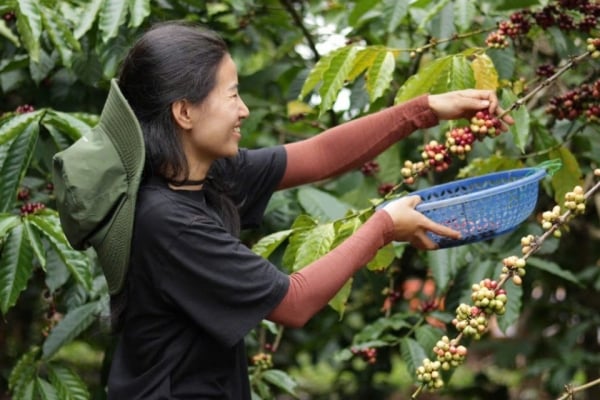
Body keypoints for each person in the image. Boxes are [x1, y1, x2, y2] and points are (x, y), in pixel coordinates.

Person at [55, 21, 513, 399]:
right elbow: (293, 302)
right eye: (231, 95)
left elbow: (319, 156)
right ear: (184, 113)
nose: (244, 109)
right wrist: (383, 226)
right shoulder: (165, 220)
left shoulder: (206, 174)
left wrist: (427, 109)